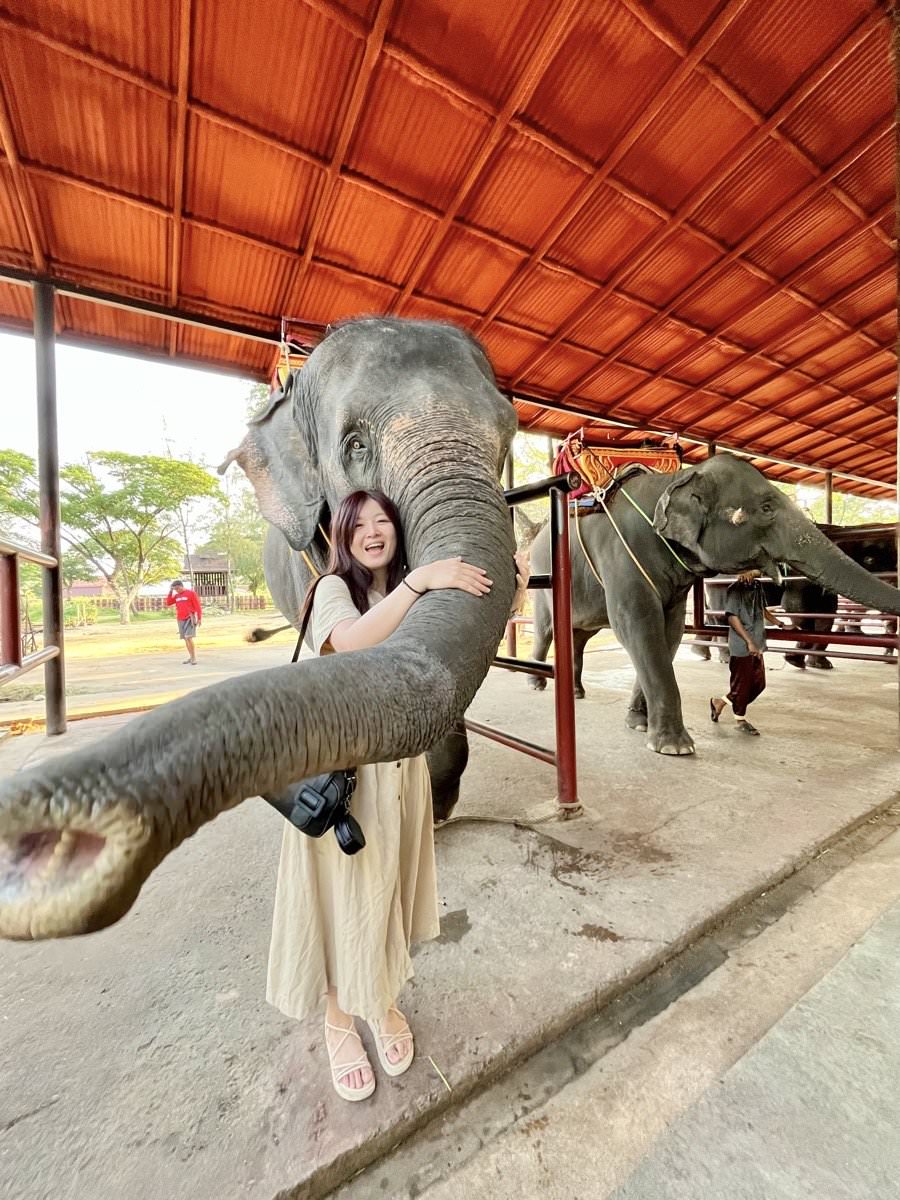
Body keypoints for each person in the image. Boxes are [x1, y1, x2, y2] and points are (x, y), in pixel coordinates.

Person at [266, 488, 528, 1102]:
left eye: (385, 521)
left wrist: (512, 585)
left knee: (385, 891)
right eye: (361, 524)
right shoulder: (333, 591)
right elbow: (351, 643)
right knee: (337, 898)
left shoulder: (412, 588)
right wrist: (422, 584)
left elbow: (463, 632)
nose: (374, 533)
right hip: (342, 769)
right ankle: (338, 1022)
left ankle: (380, 1003)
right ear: (343, 537)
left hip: (399, 767)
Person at [709, 569, 784, 736]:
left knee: (759, 684)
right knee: (742, 685)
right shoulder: (735, 589)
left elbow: (762, 609)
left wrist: (780, 624)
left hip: (757, 642)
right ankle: (740, 720)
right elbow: (732, 618)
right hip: (742, 645)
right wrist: (749, 642)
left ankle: (719, 702)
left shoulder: (757, 586)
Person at [165, 579, 202, 665]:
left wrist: (199, 618)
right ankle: (190, 656)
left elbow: (197, 606)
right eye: (175, 589)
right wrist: (171, 592)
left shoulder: (191, 593)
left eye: (178, 588)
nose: (177, 590)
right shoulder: (177, 596)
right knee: (185, 638)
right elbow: (169, 602)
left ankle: (193, 658)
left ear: (182, 586)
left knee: (189, 637)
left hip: (189, 618)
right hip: (180, 618)